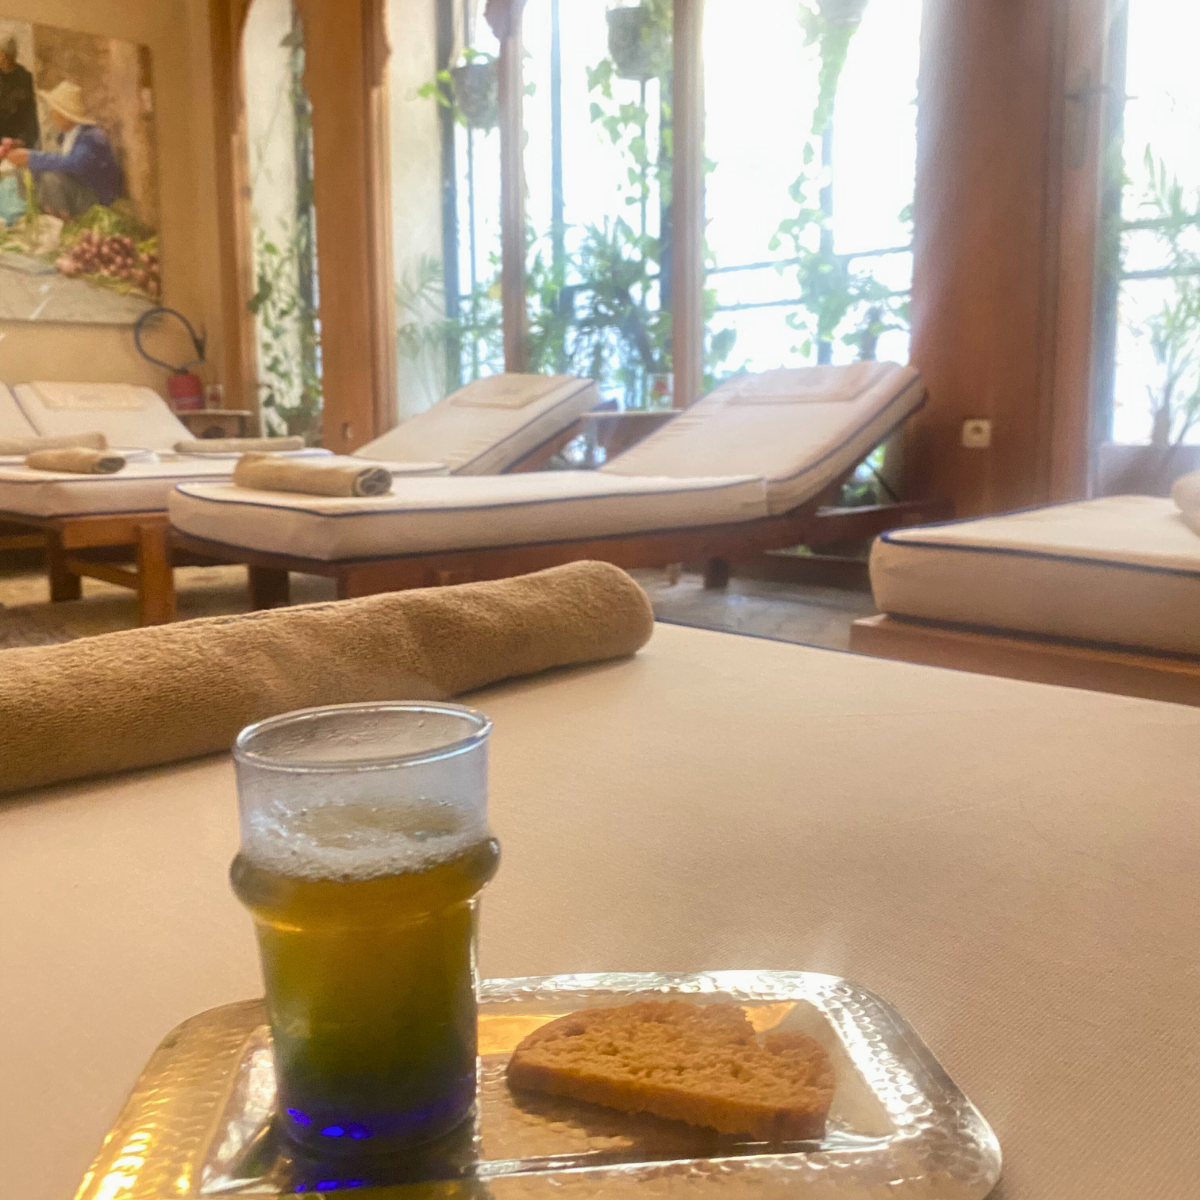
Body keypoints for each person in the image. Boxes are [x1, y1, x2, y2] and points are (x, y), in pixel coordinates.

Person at [7, 80, 122, 219]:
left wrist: (32, 157)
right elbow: (58, 162)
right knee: (33, 174)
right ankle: (40, 214)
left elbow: (74, 164)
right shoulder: (65, 135)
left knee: (51, 179)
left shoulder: (92, 136)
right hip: (77, 188)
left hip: (96, 196)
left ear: (66, 115)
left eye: (56, 113)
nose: (53, 116)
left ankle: (64, 220)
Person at [0, 36, 38, 149]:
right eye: (2, 55)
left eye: (9, 55)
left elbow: (31, 114)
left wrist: (22, 140)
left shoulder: (25, 78)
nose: (5, 59)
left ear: (14, 56)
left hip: (17, 137)